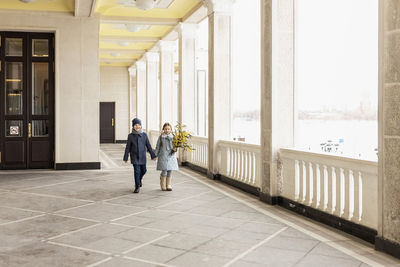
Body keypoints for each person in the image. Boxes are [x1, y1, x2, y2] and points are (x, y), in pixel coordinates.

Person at [123, 118, 156, 193]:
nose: (137, 126)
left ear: (141, 126)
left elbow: (149, 146)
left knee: (144, 170)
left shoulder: (144, 135)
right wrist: (126, 157)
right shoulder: (130, 136)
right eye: (135, 125)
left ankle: (139, 179)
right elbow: (127, 147)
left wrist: (152, 155)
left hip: (142, 157)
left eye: (138, 125)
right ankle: (137, 185)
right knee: (137, 171)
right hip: (134, 156)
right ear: (133, 126)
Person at [154, 122, 178, 191]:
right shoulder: (161, 137)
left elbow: (176, 146)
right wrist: (155, 155)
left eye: (168, 129)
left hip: (171, 156)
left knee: (170, 170)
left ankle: (168, 185)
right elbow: (157, 147)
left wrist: (175, 149)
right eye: (165, 129)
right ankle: (163, 184)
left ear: (171, 130)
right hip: (163, 155)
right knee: (164, 170)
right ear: (163, 129)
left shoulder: (173, 137)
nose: (167, 130)